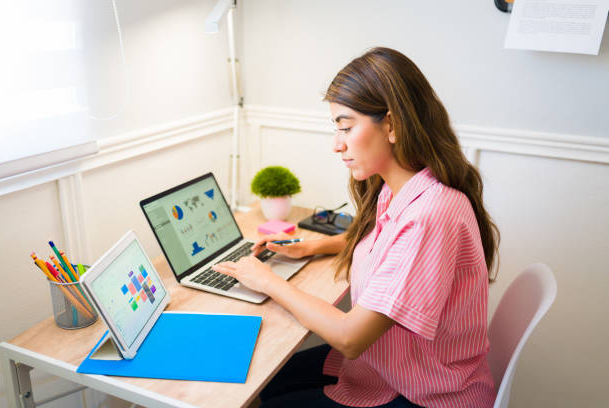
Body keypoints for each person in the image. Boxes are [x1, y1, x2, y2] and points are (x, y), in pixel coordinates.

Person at [212, 47, 500, 408]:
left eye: (346, 127)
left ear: (392, 125)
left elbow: (350, 337)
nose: (337, 144)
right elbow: (388, 240)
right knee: (265, 380)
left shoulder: (430, 214)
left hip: (423, 394)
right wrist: (310, 247)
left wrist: (266, 280)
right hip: (391, 368)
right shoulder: (402, 188)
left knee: (262, 390)